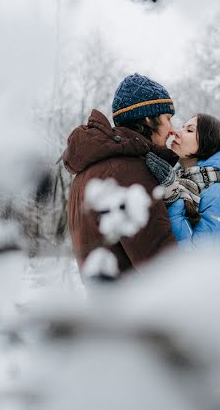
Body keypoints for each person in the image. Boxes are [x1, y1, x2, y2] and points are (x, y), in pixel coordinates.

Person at [62, 73, 180, 277]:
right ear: (148, 118)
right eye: (168, 119)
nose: (172, 129)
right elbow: (163, 268)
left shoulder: (87, 171)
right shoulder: (129, 171)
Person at [152, 114, 220, 250]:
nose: (176, 132)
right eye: (182, 127)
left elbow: (198, 263)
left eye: (189, 130)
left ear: (209, 143)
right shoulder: (182, 182)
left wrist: (173, 201)